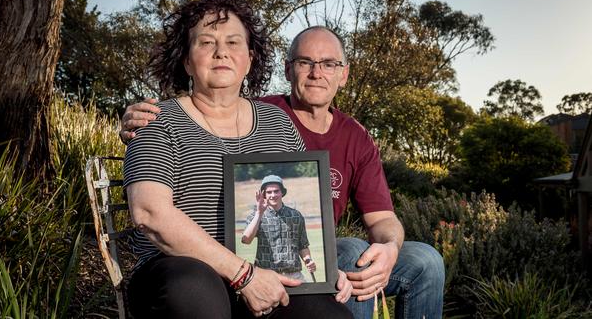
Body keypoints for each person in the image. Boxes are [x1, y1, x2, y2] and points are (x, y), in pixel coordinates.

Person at [121, 25, 446, 319]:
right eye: (305, 62)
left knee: (424, 260)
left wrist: (389, 248)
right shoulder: (266, 113)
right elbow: (213, 112)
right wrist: (137, 127)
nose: (317, 73)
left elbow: (382, 218)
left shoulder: (350, 135)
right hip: (220, 266)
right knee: (348, 251)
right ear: (288, 70)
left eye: (328, 64)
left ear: (343, 74)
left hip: (299, 254)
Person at [122, 0, 352, 318]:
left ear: (249, 59)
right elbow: (149, 214)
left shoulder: (278, 123)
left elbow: (306, 209)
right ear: (186, 60)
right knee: (195, 290)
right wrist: (243, 275)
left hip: (269, 272)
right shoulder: (156, 119)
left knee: (326, 313)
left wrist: (326, 270)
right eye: (206, 42)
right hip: (179, 271)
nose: (221, 53)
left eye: (233, 42)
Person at [242, 175, 316, 281]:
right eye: (269, 192)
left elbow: (302, 245)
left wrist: (308, 260)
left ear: (282, 192)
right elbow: (246, 240)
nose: (273, 195)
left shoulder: (296, 215)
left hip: (294, 275)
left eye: (276, 191)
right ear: (264, 194)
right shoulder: (256, 216)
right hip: (266, 276)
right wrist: (259, 213)